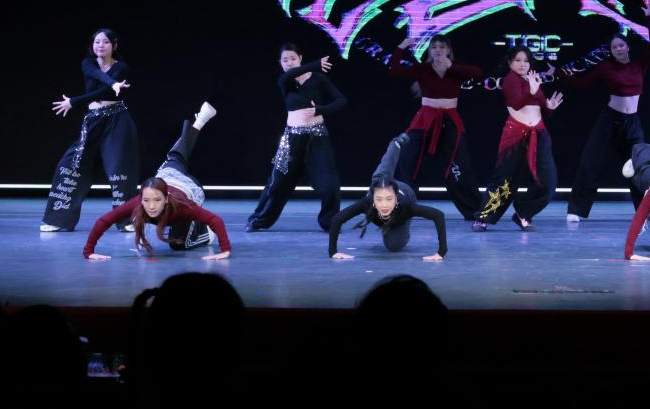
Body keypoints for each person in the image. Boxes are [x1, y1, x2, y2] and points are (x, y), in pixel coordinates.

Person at [83, 103, 230, 260]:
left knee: (179, 244)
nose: (151, 206)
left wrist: (225, 250)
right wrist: (88, 252)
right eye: (146, 200)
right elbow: (104, 220)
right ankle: (199, 122)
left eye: (157, 200)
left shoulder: (181, 207)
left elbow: (215, 220)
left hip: (188, 187)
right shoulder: (137, 203)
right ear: (141, 199)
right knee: (175, 156)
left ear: (165, 199)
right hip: (167, 176)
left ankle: (205, 233)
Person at [562, 0, 650, 222]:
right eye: (614, 47)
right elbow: (582, 82)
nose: (617, 49)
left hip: (632, 122)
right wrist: (559, 74)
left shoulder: (639, 64)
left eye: (621, 45)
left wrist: (649, 17)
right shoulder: (606, 68)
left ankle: (646, 210)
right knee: (590, 161)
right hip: (610, 120)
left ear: (627, 47)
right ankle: (576, 210)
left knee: (639, 165)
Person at [42, 28, 139, 232]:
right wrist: (113, 83)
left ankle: (127, 220)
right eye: (97, 42)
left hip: (117, 120)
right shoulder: (88, 63)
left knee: (119, 168)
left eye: (105, 42)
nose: (100, 45)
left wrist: (74, 101)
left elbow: (103, 92)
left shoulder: (121, 67)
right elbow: (97, 78)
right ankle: (57, 219)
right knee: (70, 164)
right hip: (93, 120)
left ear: (114, 45)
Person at [246, 43, 344, 232]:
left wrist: (320, 109)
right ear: (280, 63)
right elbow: (289, 75)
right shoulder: (285, 81)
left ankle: (330, 222)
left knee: (329, 184)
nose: (289, 63)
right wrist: (315, 64)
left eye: (293, 58)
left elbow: (341, 101)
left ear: (300, 58)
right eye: (285, 60)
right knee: (276, 185)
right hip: (291, 139)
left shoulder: (319, 79)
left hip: (318, 137)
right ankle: (259, 220)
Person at [387, 34, 484, 220]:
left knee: (459, 166)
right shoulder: (423, 69)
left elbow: (478, 74)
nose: (438, 50)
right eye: (434, 47)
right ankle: (403, 206)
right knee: (408, 160)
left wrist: (451, 67)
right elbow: (394, 70)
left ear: (448, 50)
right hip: (425, 120)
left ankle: (473, 210)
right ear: (429, 51)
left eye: (442, 47)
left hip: (450, 121)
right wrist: (401, 47)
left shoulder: (456, 69)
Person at [475, 47, 563, 231]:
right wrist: (531, 91)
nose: (522, 64)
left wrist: (550, 108)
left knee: (548, 181)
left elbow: (539, 111)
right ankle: (483, 217)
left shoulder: (532, 79)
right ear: (509, 63)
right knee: (505, 180)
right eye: (518, 60)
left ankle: (523, 213)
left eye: (526, 61)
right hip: (516, 136)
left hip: (539, 135)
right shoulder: (510, 80)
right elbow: (516, 103)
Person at [328, 135, 447, 260]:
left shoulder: (406, 207)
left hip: (405, 193)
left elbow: (438, 215)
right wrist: (333, 252)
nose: (384, 205)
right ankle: (396, 143)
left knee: (393, 246)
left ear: (396, 199)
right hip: (382, 185)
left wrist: (441, 252)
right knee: (381, 176)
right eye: (379, 200)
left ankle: (397, 222)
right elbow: (337, 219)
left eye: (389, 200)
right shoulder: (367, 203)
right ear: (373, 199)